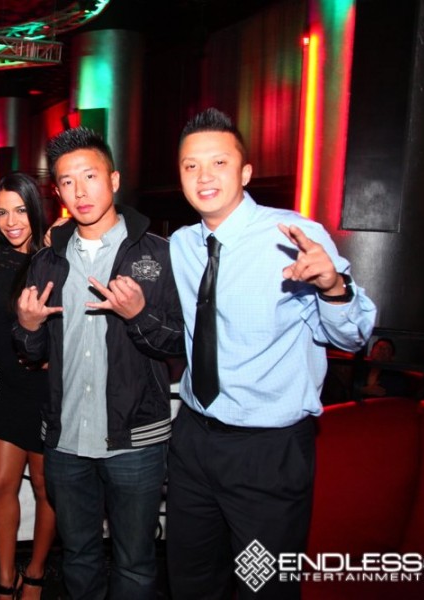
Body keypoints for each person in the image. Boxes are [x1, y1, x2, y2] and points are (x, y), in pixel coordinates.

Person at [166, 107, 377, 599]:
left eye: (219, 163)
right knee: (191, 581)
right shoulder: (181, 245)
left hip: (267, 452)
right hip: (194, 441)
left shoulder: (292, 236)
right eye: (191, 166)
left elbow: (354, 337)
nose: (204, 176)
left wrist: (333, 287)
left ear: (245, 173)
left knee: (264, 588)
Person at [12, 127, 185, 600]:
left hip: (136, 438)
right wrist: (27, 327)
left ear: (114, 179)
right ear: (58, 191)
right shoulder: (48, 260)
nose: (80, 191)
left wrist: (139, 316)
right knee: (79, 555)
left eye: (89, 176)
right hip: (66, 439)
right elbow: (32, 353)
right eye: (67, 181)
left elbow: (179, 344)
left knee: (135, 562)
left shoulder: (157, 254)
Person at [0, 172, 56, 600]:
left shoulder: (52, 261)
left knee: (44, 488)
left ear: (35, 211)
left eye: (21, 210)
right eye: (2, 213)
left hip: (46, 391)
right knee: (3, 484)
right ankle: (6, 579)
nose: (11, 222)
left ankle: (35, 574)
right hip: (9, 391)